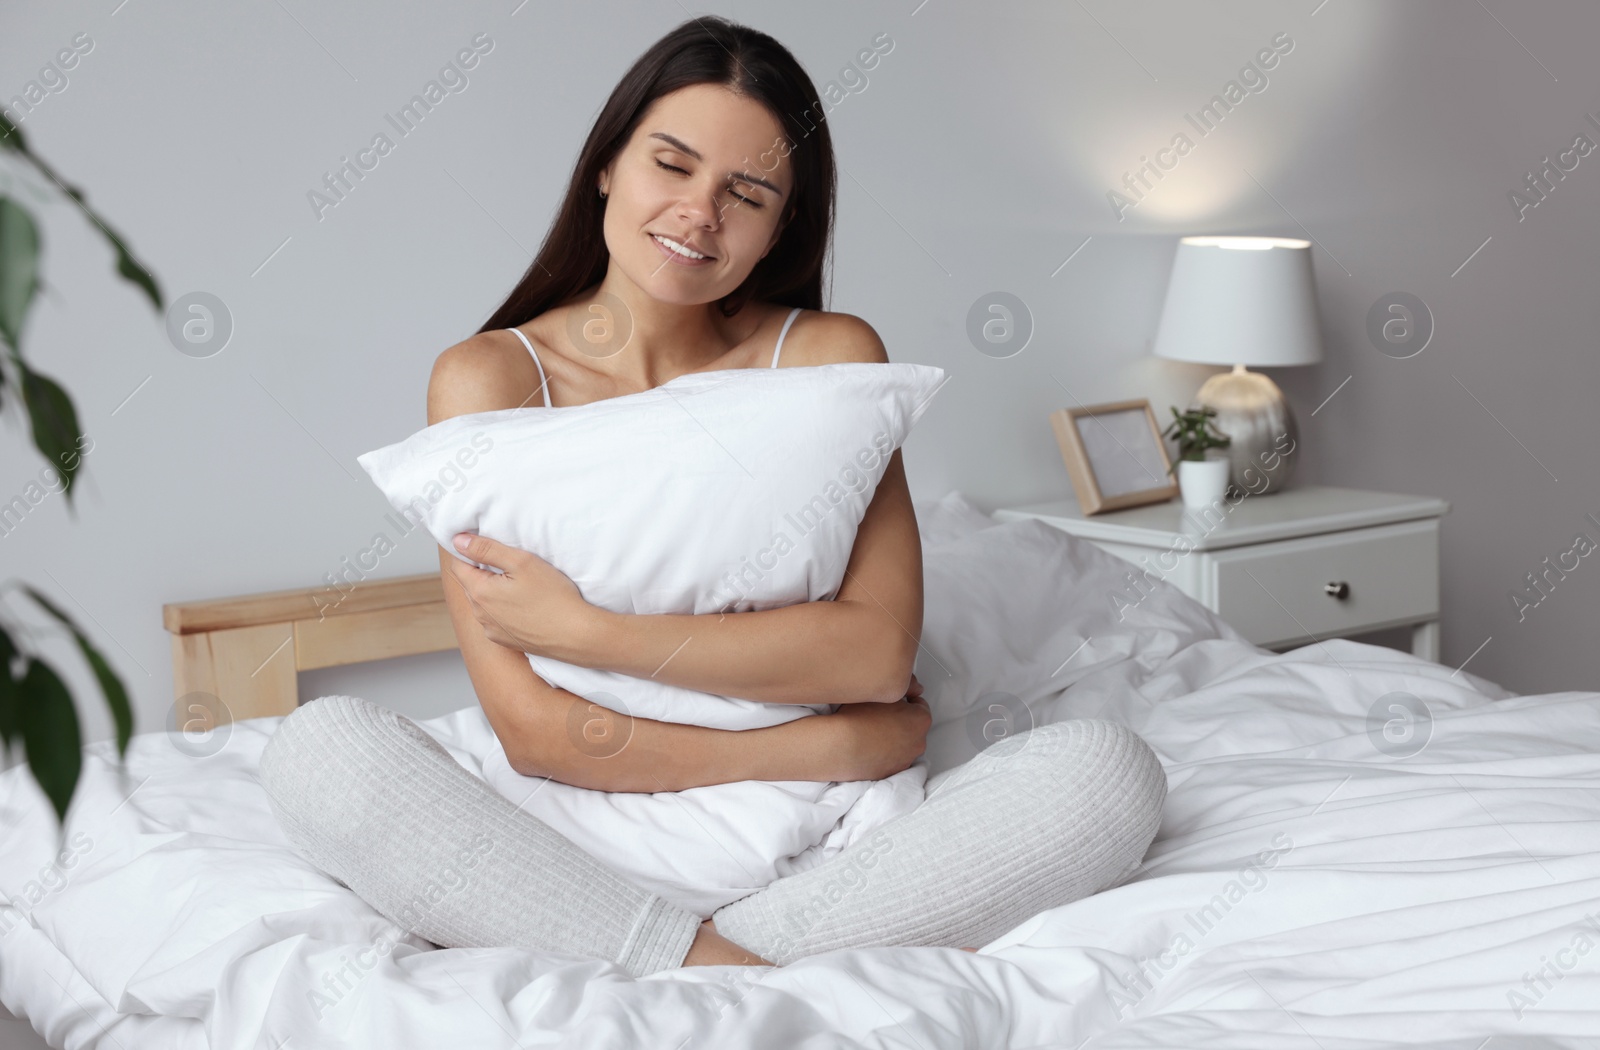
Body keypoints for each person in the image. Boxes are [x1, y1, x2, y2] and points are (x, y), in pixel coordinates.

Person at [258, 15, 1166, 976]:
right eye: (672, 165)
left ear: (781, 226)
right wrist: (837, 745)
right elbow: (534, 735)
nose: (700, 213)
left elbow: (873, 653)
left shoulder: (826, 360)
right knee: (318, 751)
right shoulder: (491, 380)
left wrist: (590, 634)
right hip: (574, 833)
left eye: (748, 192)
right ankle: (715, 968)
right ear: (607, 166)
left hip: (825, 835)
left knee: (1107, 774)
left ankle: (687, 966)